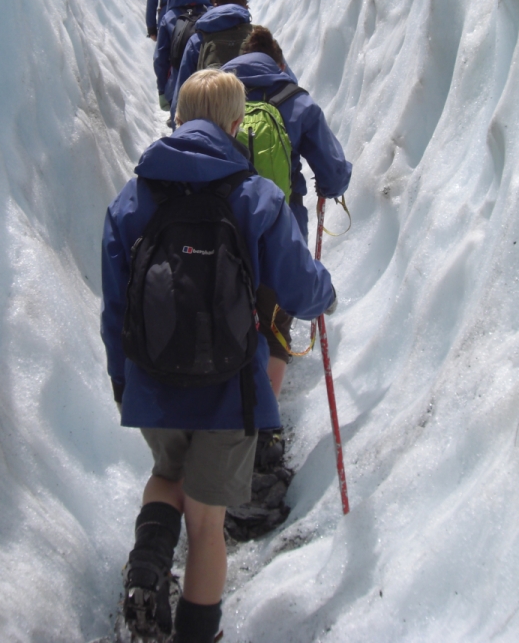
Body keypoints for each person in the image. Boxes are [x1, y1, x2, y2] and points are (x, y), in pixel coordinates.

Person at [101, 69, 335, 643]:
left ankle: (149, 565)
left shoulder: (134, 196)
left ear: (179, 118)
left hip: (153, 380)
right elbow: (302, 290)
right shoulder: (255, 195)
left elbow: (114, 305)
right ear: (236, 126)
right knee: (207, 525)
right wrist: (326, 293)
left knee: (166, 474)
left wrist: (122, 379)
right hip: (232, 388)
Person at [223, 26, 352, 401]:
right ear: (279, 62)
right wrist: (331, 188)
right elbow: (333, 171)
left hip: (218, 226)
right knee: (275, 325)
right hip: (281, 227)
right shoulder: (296, 100)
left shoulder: (214, 93)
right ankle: (265, 430)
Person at [170, 0, 252, 123]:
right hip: (255, 126)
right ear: (246, 7)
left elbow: (182, 95)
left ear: (215, 6)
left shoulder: (198, 39)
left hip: (209, 125)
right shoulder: (258, 37)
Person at [152, 0, 216, 112]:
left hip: (175, 87)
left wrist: (162, 91)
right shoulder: (213, 16)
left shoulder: (169, 16)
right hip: (206, 88)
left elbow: (160, 58)